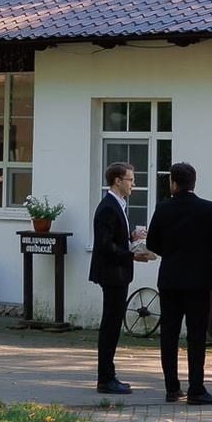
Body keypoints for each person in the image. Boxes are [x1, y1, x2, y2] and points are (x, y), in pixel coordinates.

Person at [145, 161, 212, 405]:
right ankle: (196, 389)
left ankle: (172, 388)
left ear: (173, 183)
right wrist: (202, 254)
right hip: (198, 279)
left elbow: (152, 243)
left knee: (169, 335)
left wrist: (171, 254)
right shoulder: (208, 208)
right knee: (196, 336)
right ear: (194, 183)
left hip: (170, 279)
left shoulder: (162, 208)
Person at [88, 161, 146, 394]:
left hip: (118, 274)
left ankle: (108, 375)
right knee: (110, 326)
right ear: (117, 181)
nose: (133, 183)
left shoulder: (117, 204)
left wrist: (131, 238)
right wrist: (132, 255)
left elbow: (114, 238)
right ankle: (105, 379)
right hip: (112, 274)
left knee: (112, 324)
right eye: (130, 179)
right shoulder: (108, 207)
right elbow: (104, 245)